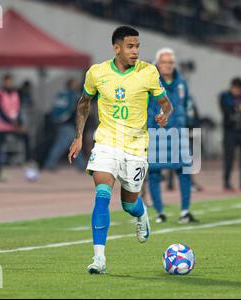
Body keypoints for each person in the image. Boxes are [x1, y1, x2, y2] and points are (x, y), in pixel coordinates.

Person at [68, 26, 174, 274]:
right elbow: (84, 103)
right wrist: (78, 137)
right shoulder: (97, 73)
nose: (135, 51)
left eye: (137, 46)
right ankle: (99, 259)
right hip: (106, 142)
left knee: (129, 204)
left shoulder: (148, 72)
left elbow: (166, 103)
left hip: (136, 146)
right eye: (130, 46)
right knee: (102, 194)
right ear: (116, 48)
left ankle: (141, 213)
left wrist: (164, 114)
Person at [147, 48, 198, 224]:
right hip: (156, 133)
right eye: (164, 62)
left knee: (185, 172)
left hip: (178, 132)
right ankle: (159, 212)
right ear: (157, 63)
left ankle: (185, 211)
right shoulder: (150, 81)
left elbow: (185, 104)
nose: (167, 65)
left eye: (170, 62)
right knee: (154, 173)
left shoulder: (181, 82)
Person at [0, 74, 33, 182]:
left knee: (26, 137)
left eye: (11, 81)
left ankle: (28, 162)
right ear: (4, 82)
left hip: (12, 125)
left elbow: (17, 110)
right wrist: (10, 122)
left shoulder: (14, 94)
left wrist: (19, 123)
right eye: (7, 81)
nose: (9, 83)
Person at [219, 77, 241, 192]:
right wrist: (239, 108)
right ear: (232, 87)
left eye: (240, 88)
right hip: (230, 131)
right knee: (229, 158)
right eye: (237, 88)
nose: (239, 91)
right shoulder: (225, 96)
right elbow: (225, 110)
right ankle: (226, 182)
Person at [44, 78, 86, 171]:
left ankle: (81, 165)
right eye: (74, 84)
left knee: (72, 144)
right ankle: (50, 163)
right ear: (70, 85)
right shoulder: (70, 95)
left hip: (61, 123)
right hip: (66, 124)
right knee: (62, 145)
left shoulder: (61, 94)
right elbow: (71, 109)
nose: (76, 86)